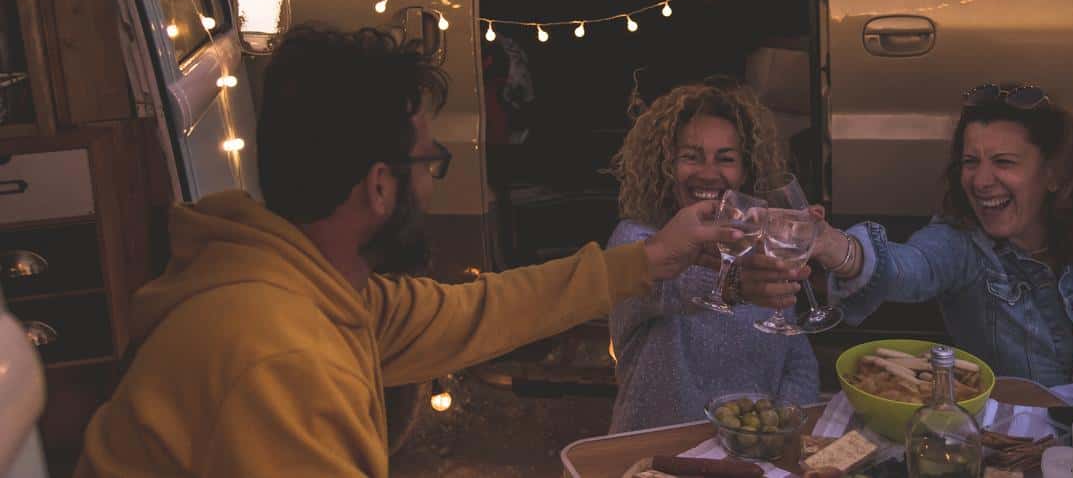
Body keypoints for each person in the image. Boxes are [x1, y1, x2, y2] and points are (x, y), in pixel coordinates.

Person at [74, 26, 736, 478]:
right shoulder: (279, 355)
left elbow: (478, 311)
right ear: (381, 186)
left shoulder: (312, 285)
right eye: (430, 161)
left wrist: (652, 259)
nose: (432, 179)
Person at [739, 83, 1073, 413]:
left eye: (1004, 162)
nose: (981, 180)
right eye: (970, 161)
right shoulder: (961, 242)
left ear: (1054, 174)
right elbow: (908, 269)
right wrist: (829, 243)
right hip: (1019, 448)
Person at [605, 79, 820, 433]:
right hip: (657, 457)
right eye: (691, 157)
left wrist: (777, 431)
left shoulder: (765, 247)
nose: (707, 173)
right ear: (664, 166)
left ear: (746, 170)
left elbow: (799, 362)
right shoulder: (636, 240)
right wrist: (743, 277)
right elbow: (678, 282)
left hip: (751, 457)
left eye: (726, 159)